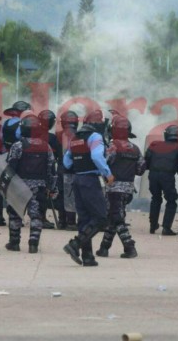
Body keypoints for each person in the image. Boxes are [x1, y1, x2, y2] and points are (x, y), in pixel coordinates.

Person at [62, 110, 114, 267]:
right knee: (101, 218)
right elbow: (97, 157)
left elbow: (67, 161)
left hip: (77, 180)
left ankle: (88, 257)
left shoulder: (75, 138)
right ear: (98, 124)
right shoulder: (95, 137)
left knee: (84, 219)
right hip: (90, 180)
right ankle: (75, 244)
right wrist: (108, 173)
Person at [5, 115, 56, 253]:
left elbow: (10, 167)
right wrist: (52, 187)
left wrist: (8, 186)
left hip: (18, 186)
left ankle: (14, 243)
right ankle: (33, 244)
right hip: (38, 187)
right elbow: (51, 169)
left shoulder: (18, 146)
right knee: (36, 215)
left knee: (15, 214)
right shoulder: (46, 146)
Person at [96, 116, 145, 258]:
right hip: (128, 190)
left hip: (113, 189)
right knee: (113, 217)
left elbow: (103, 163)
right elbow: (140, 169)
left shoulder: (112, 147)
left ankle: (129, 246)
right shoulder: (135, 148)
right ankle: (104, 248)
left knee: (117, 218)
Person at [144, 124, 178, 235]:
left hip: (153, 175)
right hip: (167, 176)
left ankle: (153, 226)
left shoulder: (154, 145)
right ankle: (166, 228)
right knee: (171, 200)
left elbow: (146, 161)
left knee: (156, 199)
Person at [37, 109, 61, 230]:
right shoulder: (52, 138)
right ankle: (42, 218)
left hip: (31, 167)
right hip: (46, 169)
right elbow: (58, 154)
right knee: (45, 193)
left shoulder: (33, 134)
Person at [55, 110, 79, 230]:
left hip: (61, 167)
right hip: (75, 168)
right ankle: (71, 222)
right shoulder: (80, 136)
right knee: (72, 194)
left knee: (61, 194)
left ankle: (61, 221)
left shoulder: (57, 136)